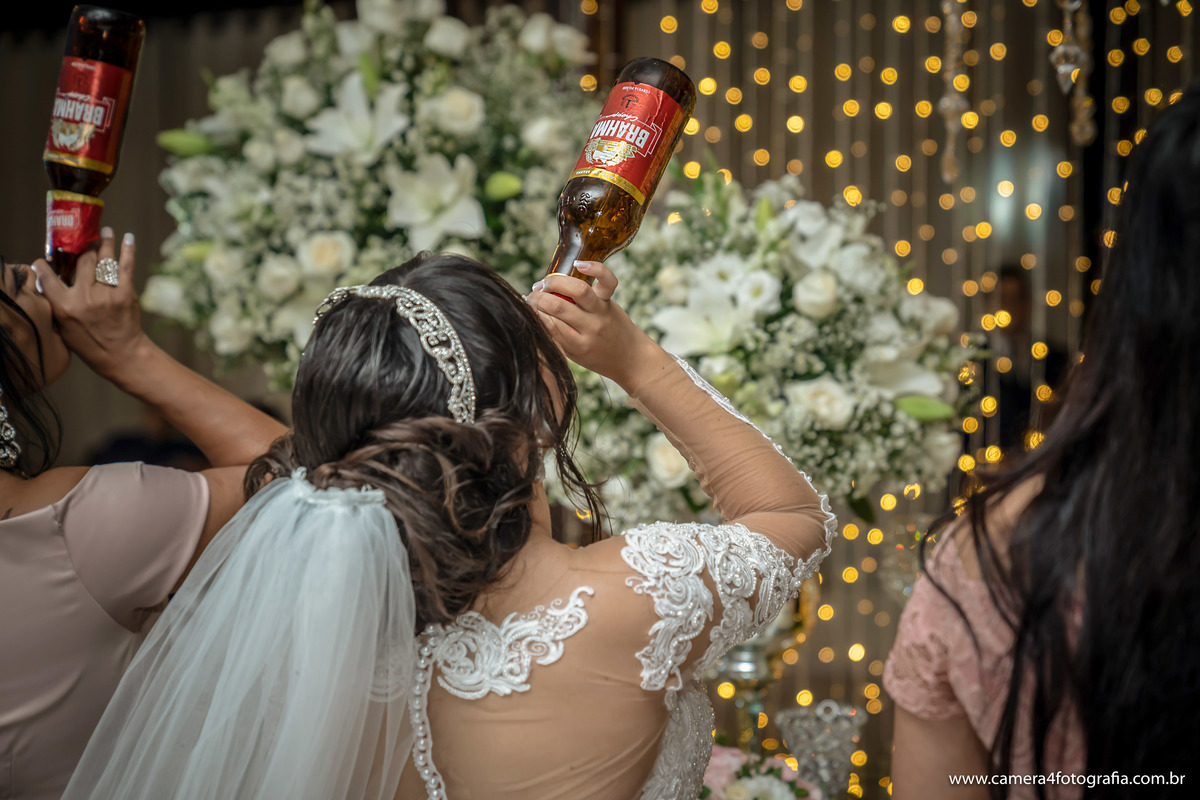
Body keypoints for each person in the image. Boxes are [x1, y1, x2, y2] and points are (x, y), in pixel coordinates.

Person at [62, 254, 836, 800]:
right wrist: (633, 358)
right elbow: (795, 514)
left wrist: (132, 355)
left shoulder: (303, 610)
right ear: (537, 413)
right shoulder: (632, 600)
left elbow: (291, 464)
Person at [883, 84, 1200, 798]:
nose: (1008, 307)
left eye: (1015, 297)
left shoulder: (1059, 363)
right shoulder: (972, 373)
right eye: (999, 298)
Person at [0, 229, 286, 800]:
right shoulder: (68, 527)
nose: (39, 269)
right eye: (18, 283)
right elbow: (304, 480)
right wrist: (125, 351)